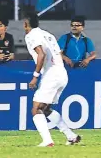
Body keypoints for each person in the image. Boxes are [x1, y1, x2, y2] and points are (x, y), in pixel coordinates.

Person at [23, 13, 81, 146]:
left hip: (51, 74)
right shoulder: (47, 34)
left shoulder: (31, 35)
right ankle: (71, 136)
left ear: (26, 23)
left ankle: (47, 141)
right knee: (45, 109)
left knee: (36, 108)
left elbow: (41, 54)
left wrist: (35, 76)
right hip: (61, 73)